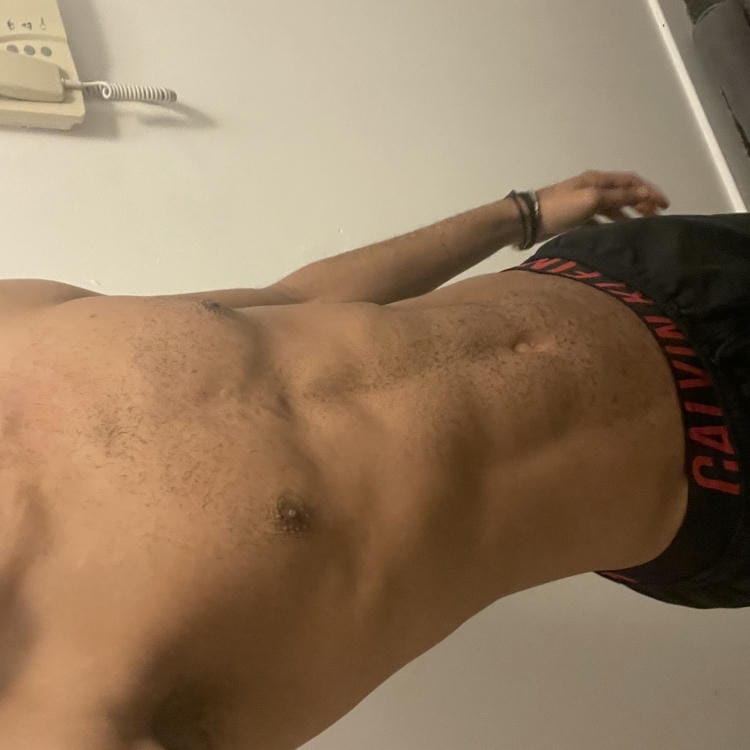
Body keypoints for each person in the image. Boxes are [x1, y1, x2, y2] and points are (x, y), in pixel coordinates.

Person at [0, 169, 747, 749]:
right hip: (717, 469)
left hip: (633, 269)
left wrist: (521, 212)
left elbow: (296, 298)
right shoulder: (60, 717)